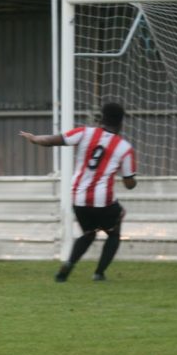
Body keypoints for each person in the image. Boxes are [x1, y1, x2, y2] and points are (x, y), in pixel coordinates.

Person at [20, 102, 137, 282]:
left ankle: (68, 265)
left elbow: (51, 141)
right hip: (102, 200)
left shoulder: (85, 132)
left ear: (101, 118)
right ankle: (99, 273)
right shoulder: (124, 148)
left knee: (89, 233)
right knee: (114, 231)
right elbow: (129, 184)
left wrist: (35, 139)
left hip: (78, 197)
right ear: (121, 123)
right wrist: (127, 175)